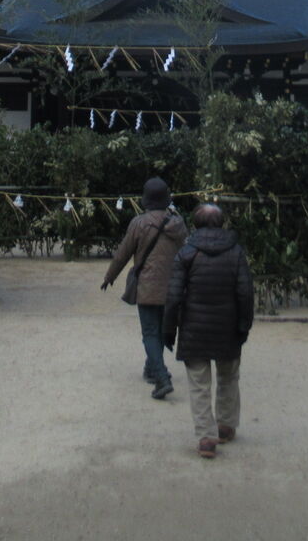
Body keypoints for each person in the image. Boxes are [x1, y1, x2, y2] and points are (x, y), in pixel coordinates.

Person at [162, 203, 254, 459]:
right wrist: (244, 324)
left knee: (199, 384)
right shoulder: (236, 252)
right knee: (229, 377)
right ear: (222, 223)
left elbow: (173, 295)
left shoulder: (186, 253)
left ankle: (206, 438)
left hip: (194, 328)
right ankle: (225, 425)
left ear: (195, 223)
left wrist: (169, 329)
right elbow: (245, 292)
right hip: (227, 326)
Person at [100, 177, 187, 400]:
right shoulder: (178, 224)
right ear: (166, 198)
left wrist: (110, 276)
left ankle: (161, 377)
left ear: (145, 199)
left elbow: (123, 253)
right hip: (172, 287)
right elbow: (186, 254)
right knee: (160, 330)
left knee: (149, 332)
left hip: (147, 286)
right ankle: (152, 367)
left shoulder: (139, 223)